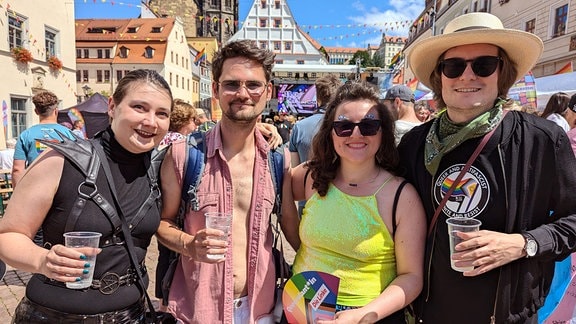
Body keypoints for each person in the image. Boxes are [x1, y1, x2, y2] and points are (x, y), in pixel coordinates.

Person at [400, 12, 576, 323]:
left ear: (502, 73)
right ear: (440, 77)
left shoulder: (541, 140)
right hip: (429, 312)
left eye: (483, 65)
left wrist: (524, 244)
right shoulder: (415, 144)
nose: (467, 76)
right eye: (453, 67)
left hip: (508, 315)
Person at [0, 69, 173, 322]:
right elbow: (8, 235)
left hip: (131, 315)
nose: (150, 121)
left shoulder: (159, 168)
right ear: (112, 106)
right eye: (139, 107)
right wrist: (43, 260)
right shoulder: (62, 160)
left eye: (162, 113)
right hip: (55, 316)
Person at [156, 39, 298, 323]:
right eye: (232, 84)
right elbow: (160, 224)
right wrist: (188, 244)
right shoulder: (185, 155)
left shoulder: (277, 160)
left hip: (260, 310)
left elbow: (294, 233)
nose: (243, 93)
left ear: (268, 91)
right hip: (197, 309)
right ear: (216, 89)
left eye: (253, 85)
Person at [289, 82, 426, 323]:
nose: (356, 134)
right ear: (331, 133)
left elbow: (411, 276)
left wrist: (361, 315)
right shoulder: (313, 176)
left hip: (367, 315)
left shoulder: (401, 196)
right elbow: (267, 187)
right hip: (300, 308)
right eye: (343, 126)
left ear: (382, 132)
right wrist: (261, 134)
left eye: (368, 126)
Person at [12, 91, 75, 187]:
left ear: (36, 111)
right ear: (56, 111)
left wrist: (19, 194)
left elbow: (17, 169)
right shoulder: (68, 133)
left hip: (35, 186)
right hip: (63, 186)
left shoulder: (26, 135)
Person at [289, 74, 342, 167]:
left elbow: (294, 168)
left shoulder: (299, 127)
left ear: (318, 98)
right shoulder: (346, 126)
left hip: (306, 180)